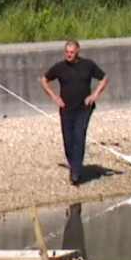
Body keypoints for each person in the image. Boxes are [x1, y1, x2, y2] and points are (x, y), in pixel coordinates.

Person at [40, 40, 109, 186]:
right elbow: (44, 80)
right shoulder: (60, 67)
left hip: (84, 109)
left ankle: (76, 173)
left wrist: (94, 95)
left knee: (79, 136)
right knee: (68, 140)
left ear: (77, 51)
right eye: (66, 52)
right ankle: (73, 165)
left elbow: (104, 78)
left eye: (71, 52)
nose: (69, 55)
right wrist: (54, 97)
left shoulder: (88, 65)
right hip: (66, 109)